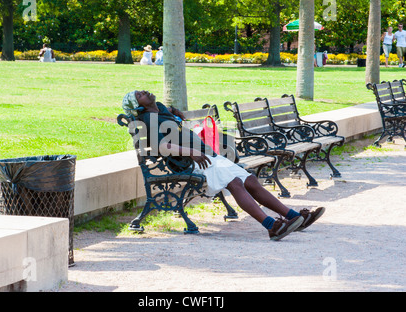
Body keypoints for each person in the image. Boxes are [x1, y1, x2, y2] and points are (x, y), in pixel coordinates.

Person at [122, 90, 326, 241]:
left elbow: (173, 121)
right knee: (235, 182)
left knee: (250, 180)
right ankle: (271, 226)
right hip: (189, 162)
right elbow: (162, 146)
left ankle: (294, 217)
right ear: (139, 106)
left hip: (207, 156)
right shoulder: (150, 118)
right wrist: (192, 152)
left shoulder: (161, 111)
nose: (145, 92)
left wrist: (177, 115)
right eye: (140, 95)